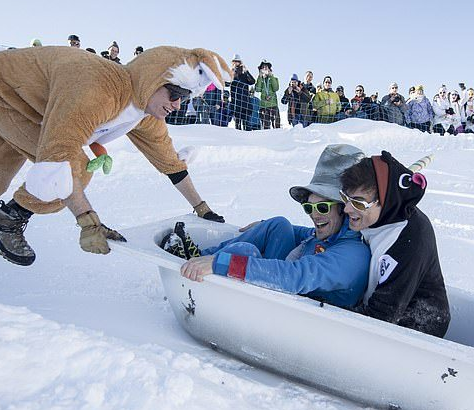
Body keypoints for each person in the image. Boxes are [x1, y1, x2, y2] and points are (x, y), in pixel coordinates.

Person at [0, 46, 230, 275]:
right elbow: (60, 154)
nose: (178, 104)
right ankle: (7, 220)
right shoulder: (101, 87)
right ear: (156, 78)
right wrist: (89, 222)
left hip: (34, 109)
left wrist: (202, 208)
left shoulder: (146, 113)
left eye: (186, 98)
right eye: (176, 93)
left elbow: (170, 162)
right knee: (69, 169)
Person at [179, 145, 370, 308]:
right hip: (284, 296)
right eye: (308, 207)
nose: (314, 214)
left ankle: (204, 271)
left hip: (292, 311)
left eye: (322, 207)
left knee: (243, 251)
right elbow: (302, 233)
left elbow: (295, 276)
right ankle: (197, 256)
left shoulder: (352, 255)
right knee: (279, 224)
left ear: (344, 210)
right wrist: (263, 226)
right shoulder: (332, 234)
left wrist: (219, 264)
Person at [338, 151, 450, 337]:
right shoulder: (374, 213)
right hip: (380, 305)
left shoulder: (409, 238)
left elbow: (382, 316)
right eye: (345, 198)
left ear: (386, 201)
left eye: (358, 203)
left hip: (414, 327)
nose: (347, 208)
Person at [229, 54, 255, 130]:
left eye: (237, 61)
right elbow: (226, 83)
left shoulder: (244, 73)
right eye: (234, 62)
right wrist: (231, 75)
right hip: (235, 102)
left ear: (240, 62)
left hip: (245, 102)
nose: (236, 63)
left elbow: (252, 81)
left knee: (246, 124)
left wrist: (246, 71)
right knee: (237, 124)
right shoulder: (231, 73)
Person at [255, 59, 280, 129]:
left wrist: (271, 76)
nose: (265, 69)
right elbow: (257, 89)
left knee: (276, 126)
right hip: (264, 106)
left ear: (269, 69)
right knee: (265, 127)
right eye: (263, 67)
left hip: (273, 105)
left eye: (267, 67)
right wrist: (260, 77)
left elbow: (276, 88)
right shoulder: (260, 79)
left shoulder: (275, 78)